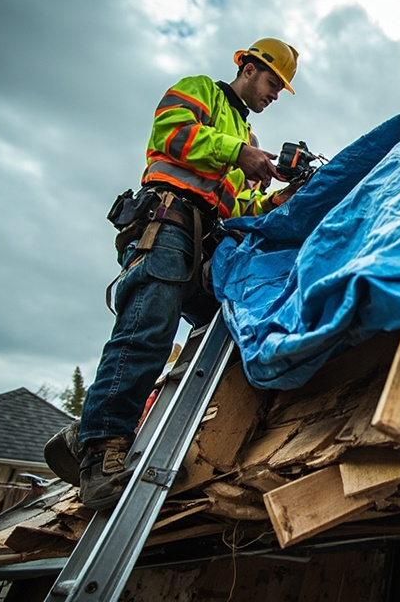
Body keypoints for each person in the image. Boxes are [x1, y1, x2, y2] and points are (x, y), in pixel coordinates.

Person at [45, 38, 303, 510]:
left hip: (204, 244)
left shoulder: (248, 142)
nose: (273, 95)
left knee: (225, 333)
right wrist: (238, 154)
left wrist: (278, 199)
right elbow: (172, 137)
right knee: (147, 329)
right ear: (248, 69)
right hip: (166, 225)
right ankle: (101, 456)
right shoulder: (199, 90)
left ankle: (87, 434)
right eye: (272, 83)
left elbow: (236, 206)